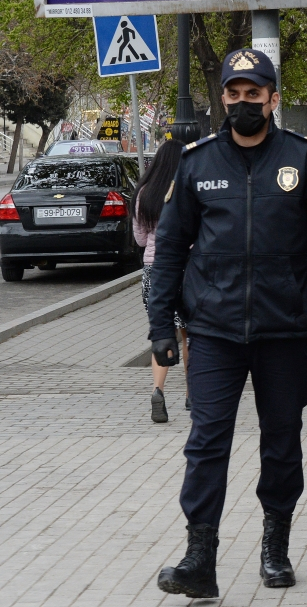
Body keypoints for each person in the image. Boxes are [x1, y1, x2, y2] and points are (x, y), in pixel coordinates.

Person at [150, 48, 307, 599]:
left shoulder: (304, 159)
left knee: (282, 442)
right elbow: (169, 249)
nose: (244, 102)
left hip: (286, 330)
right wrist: (159, 327)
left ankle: (276, 549)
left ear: (273, 98)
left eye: (254, 93)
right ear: (223, 96)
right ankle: (200, 559)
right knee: (205, 444)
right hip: (213, 331)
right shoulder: (198, 162)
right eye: (235, 93)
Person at [133, 139, 190, 423]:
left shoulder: (144, 193)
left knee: (161, 333)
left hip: (153, 272)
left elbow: (141, 239)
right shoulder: (185, 190)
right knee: (190, 333)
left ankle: (158, 390)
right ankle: (193, 394)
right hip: (186, 269)